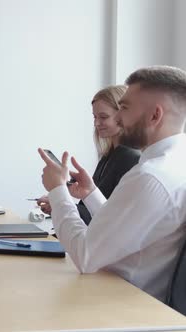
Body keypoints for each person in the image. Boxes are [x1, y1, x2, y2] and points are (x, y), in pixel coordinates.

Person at [38, 65, 186, 301]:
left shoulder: (150, 176)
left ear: (155, 115)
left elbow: (85, 255)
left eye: (124, 108)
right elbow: (124, 226)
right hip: (128, 299)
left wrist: (57, 191)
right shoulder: (176, 162)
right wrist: (90, 193)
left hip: (118, 305)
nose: (118, 118)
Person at [37, 86, 141, 224]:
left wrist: (60, 203)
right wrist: (59, 203)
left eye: (103, 117)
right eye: (95, 117)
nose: (97, 123)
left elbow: (111, 220)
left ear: (123, 115)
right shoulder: (108, 156)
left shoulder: (130, 158)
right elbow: (92, 208)